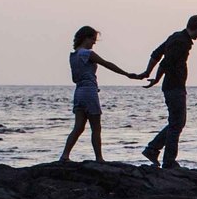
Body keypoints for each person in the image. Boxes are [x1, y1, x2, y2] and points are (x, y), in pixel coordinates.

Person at [60, 26, 144, 162]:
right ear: (85, 38)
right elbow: (106, 64)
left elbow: (75, 78)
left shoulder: (74, 55)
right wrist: (127, 74)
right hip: (89, 92)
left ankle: (65, 155)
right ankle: (99, 158)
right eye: (92, 40)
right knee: (96, 127)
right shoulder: (87, 53)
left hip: (79, 92)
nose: (93, 43)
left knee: (78, 127)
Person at [141, 14, 197, 169]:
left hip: (173, 86)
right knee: (177, 123)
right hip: (175, 86)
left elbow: (156, 54)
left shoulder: (175, 37)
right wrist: (156, 78)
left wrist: (147, 72)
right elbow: (165, 61)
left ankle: (152, 149)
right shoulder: (182, 42)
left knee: (176, 122)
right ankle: (168, 160)